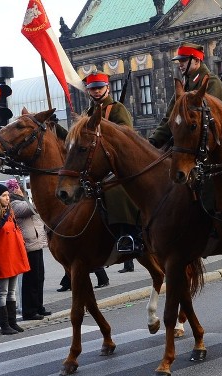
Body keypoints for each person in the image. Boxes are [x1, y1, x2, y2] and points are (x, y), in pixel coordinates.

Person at [83, 71, 143, 256]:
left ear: (107, 88)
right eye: (92, 89)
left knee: (114, 188)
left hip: (117, 162)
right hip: (96, 164)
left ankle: (128, 233)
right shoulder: (88, 113)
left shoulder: (116, 109)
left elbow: (126, 135)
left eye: (99, 88)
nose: (96, 92)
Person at [149, 42, 222, 149]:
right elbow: (170, 117)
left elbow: (212, 121)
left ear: (196, 61)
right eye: (179, 61)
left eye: (184, 60)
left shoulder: (211, 82)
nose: (180, 64)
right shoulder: (185, 85)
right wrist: (154, 141)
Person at [0, 184, 30, 335]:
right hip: (1, 257)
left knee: (12, 292)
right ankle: (4, 325)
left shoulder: (10, 212)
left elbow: (16, 231)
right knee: (2, 292)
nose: (7, 198)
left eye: (8, 195)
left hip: (14, 255)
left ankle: (12, 322)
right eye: (4, 196)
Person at [8, 179, 51, 320]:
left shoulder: (23, 200)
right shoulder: (14, 204)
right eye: (18, 188)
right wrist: (42, 195)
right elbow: (30, 209)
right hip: (28, 245)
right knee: (31, 280)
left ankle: (39, 306)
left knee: (39, 278)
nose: (20, 190)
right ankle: (29, 310)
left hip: (36, 243)